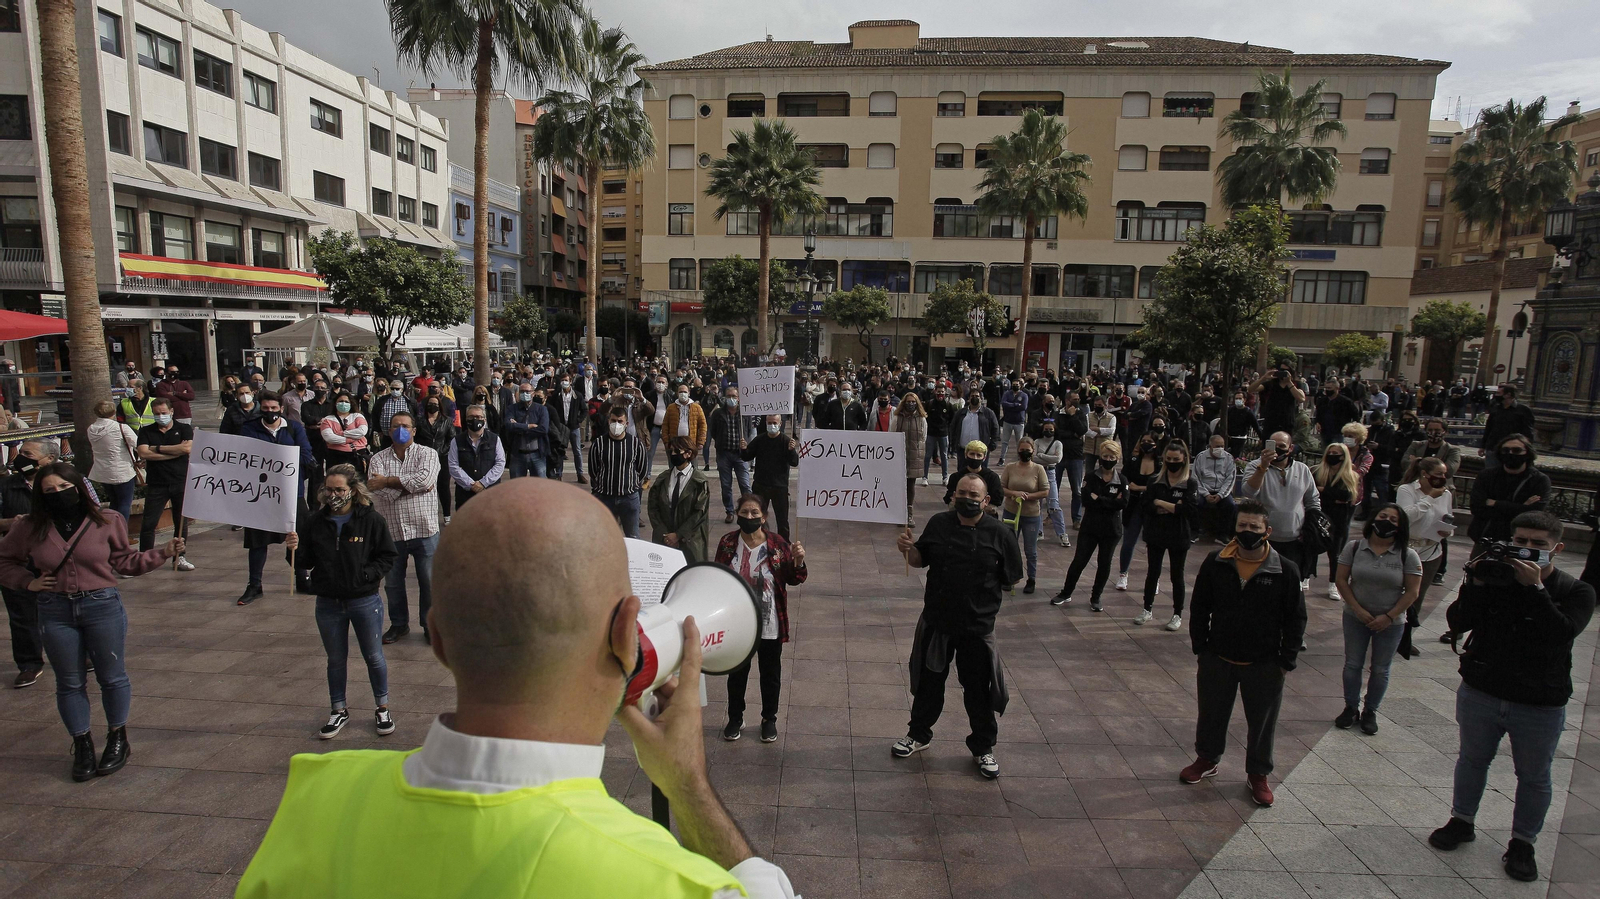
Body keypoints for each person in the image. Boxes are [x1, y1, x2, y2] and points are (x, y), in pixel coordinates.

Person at [236, 477, 800, 898]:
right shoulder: (656, 878)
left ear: (437, 639)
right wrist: (690, 789)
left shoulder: (315, 798)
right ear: (628, 635)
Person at [1427, 511, 1596, 883]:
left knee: (1534, 776)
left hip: (1539, 701)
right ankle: (1462, 820)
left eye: (1538, 545)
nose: (1528, 550)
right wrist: (1475, 582)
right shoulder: (1496, 577)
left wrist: (1535, 590)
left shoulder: (1575, 591)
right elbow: (1459, 621)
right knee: (1472, 760)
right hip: (1483, 689)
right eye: (1521, 541)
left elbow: (1560, 633)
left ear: (1557, 548)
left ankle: (1523, 843)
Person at [0, 462, 182, 780]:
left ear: (79, 488)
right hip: (55, 611)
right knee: (69, 682)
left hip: (101, 606)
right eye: (50, 490)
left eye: (64, 487)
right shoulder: (30, 525)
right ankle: (82, 743)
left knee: (111, 677)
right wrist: (27, 582)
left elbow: (124, 561)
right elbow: (5, 560)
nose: (58, 494)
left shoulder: (106, 520)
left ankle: (117, 738)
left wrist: (162, 553)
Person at [894, 471, 1022, 779]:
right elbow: (918, 559)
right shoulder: (939, 524)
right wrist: (907, 549)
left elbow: (1012, 577)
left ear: (986, 500)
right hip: (938, 622)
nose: (965, 500)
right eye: (960, 494)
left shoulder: (1000, 534)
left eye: (972, 496)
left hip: (977, 628)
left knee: (978, 690)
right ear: (953, 496)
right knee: (929, 683)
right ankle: (919, 734)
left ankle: (983, 747)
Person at [1182, 497, 1307, 808]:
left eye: (1254, 526)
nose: (1247, 530)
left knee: (1262, 723)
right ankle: (1207, 759)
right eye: (1242, 525)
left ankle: (1258, 774)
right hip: (1218, 657)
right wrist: (1202, 648)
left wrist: (1285, 660)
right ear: (1234, 528)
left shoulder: (1285, 570)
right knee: (1211, 714)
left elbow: (1296, 619)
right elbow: (1199, 607)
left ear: (1267, 530)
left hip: (1264, 663)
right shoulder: (1216, 562)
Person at [282, 465, 399, 740]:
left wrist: (366, 575)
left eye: (339, 490)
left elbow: (387, 555)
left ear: (353, 491)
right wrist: (292, 550)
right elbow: (304, 562)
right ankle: (338, 710)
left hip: (364, 601)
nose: (333, 495)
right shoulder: (314, 521)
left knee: (373, 657)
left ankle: (382, 707)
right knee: (335, 659)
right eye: (329, 489)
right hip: (328, 603)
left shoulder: (371, 520)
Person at [716, 494, 807, 744]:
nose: (749, 517)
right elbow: (717, 577)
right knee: (737, 673)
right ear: (737, 514)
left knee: (770, 673)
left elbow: (794, 578)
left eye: (755, 513)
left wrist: (798, 561)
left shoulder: (777, 544)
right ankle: (735, 718)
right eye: (744, 512)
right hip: (737, 623)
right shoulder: (727, 543)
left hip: (769, 623)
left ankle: (769, 719)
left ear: (764, 517)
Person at [1333, 503, 1421, 736]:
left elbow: (1412, 592)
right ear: (1373, 519)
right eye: (1383, 516)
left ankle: (1370, 710)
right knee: (1353, 664)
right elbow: (1342, 580)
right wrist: (1357, 609)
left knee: (1381, 669)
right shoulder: (1354, 548)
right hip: (1355, 616)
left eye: (1394, 520)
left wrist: (1389, 616)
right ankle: (1350, 706)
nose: (1387, 522)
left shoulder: (1407, 555)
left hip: (1390, 622)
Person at [368, 412, 440, 645]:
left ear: (414, 430)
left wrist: (389, 480)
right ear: (389, 431)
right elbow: (379, 492)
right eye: (396, 426)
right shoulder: (377, 459)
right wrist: (411, 485)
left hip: (424, 530)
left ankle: (429, 626)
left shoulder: (427, 453)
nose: (401, 429)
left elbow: (426, 480)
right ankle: (399, 625)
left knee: (428, 582)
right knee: (393, 583)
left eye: (406, 426)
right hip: (392, 531)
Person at [237, 393, 316, 606]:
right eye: (265, 408)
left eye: (273, 407)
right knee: (257, 541)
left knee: (299, 536)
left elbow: (306, 454)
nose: (270, 411)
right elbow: (247, 456)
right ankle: (255, 585)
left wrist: (278, 458)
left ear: (281, 408)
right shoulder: (250, 428)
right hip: (261, 494)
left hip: (292, 492)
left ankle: (302, 577)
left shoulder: (294, 428)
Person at [0, 440, 59, 687]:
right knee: (22, 616)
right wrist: (13, 524)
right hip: (19, 561)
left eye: (28, 454)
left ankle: (83, 654)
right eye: (21, 453)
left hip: (57, 559)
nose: (20, 458)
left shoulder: (65, 482)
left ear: (49, 460)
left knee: (66, 610)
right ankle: (29, 664)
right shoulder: (6, 486)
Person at [1242, 431, 1321, 592]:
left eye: (1282, 447)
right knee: (1262, 584)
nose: (1277, 450)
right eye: (1273, 446)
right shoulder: (1255, 466)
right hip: (1264, 540)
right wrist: (1263, 467)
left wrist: (1311, 527)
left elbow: (1313, 500)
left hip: (1294, 541)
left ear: (1290, 448)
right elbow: (1249, 492)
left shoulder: (1303, 469)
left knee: (1290, 584)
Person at [1053, 440, 1127, 611]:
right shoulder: (1091, 476)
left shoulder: (1121, 480)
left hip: (1111, 530)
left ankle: (1096, 597)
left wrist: (1099, 499)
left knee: (1104, 563)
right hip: (1090, 527)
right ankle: (1066, 592)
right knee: (1079, 560)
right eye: (1105, 456)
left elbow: (1123, 503)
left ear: (1117, 458)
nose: (1107, 459)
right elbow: (1086, 499)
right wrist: (1109, 501)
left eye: (1111, 457)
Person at [1395, 457, 1455, 658]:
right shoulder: (1407, 490)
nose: (1442, 478)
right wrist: (1429, 498)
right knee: (1398, 591)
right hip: (1408, 548)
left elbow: (1448, 516)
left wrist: (1448, 530)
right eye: (1438, 474)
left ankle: (1406, 637)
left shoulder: (1446, 494)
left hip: (1432, 549)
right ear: (1425, 474)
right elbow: (1406, 517)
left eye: (1444, 474)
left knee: (1417, 595)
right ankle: (1390, 630)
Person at [1138, 439, 1200, 630]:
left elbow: (1189, 510)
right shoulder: (1155, 481)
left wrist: (1161, 503)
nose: (1173, 462)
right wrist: (1171, 507)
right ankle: (1147, 609)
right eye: (1169, 458)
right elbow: (1146, 505)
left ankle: (1177, 614)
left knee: (1177, 575)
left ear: (1184, 460)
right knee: (1153, 573)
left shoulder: (1189, 483)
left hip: (1178, 534)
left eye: (1177, 459)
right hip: (1156, 532)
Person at [135, 398, 194, 570]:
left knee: (180, 522)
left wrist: (157, 448)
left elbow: (187, 449)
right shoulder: (146, 431)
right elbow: (143, 453)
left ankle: (179, 557)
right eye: (157, 414)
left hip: (180, 481)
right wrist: (174, 451)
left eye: (163, 413)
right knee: (148, 523)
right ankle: (144, 559)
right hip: (157, 483)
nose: (160, 416)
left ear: (171, 411)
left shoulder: (183, 428)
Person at [1114, 419, 1164, 591]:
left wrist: (1141, 487)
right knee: (1128, 542)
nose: (1146, 445)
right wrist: (1130, 488)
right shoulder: (1134, 460)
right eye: (1144, 442)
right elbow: (1124, 478)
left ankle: (1154, 578)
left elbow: (1160, 485)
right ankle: (1123, 574)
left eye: (1150, 442)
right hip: (1134, 505)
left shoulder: (1161, 464)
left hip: (1152, 508)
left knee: (1154, 545)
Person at [589, 404, 652, 538]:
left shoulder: (636, 444)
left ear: (626, 423)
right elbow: (593, 470)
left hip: (629, 498)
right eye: (613, 421)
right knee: (604, 537)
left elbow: (641, 469)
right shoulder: (598, 443)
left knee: (633, 537)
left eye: (620, 421)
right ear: (608, 421)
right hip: (604, 497)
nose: (616, 424)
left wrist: (633, 486)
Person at [999, 436, 1049, 595]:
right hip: (1011, 512)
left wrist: (1029, 496)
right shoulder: (1010, 467)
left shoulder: (1038, 469)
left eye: (1028, 451)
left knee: (1030, 549)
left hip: (1031, 515)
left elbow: (1045, 491)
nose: (1025, 453)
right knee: (1008, 547)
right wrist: (1014, 493)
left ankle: (1031, 578)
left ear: (1033, 451)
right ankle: (1009, 577)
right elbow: (1001, 488)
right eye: (1022, 451)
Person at [1312, 438, 1362, 598]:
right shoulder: (1317, 471)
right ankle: (1306, 577)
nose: (1332, 455)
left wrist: (1324, 490)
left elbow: (1347, 495)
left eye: (1336, 453)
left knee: (1335, 554)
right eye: (1330, 453)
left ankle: (1333, 583)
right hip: (1319, 515)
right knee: (1311, 548)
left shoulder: (1351, 475)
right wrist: (1332, 496)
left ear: (1343, 456)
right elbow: (1313, 492)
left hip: (1339, 520)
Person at [648, 438, 711, 563]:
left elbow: (699, 513)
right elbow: (653, 508)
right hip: (664, 539)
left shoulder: (699, 481)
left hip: (690, 541)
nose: (673, 454)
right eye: (671, 451)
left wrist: (678, 535)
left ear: (688, 453)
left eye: (677, 451)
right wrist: (664, 534)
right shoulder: (663, 478)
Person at [86, 400, 140, 522]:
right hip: (122, 470)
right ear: (114, 412)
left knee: (114, 502)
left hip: (102, 471)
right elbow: (137, 444)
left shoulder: (91, 429)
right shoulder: (121, 427)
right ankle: (121, 532)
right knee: (124, 503)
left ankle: (112, 529)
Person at [708, 388, 750, 524]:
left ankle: (747, 510)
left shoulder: (744, 414)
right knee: (726, 485)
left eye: (734, 396)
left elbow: (749, 429)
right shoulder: (718, 414)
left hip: (740, 455)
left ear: (738, 398)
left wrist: (746, 443)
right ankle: (729, 511)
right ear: (724, 397)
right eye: (728, 396)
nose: (731, 398)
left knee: (745, 484)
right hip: (724, 453)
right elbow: (713, 431)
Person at [418, 393, 457, 524]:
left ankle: (447, 515)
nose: (432, 406)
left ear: (439, 406)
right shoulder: (419, 421)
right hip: (424, 458)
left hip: (442, 457)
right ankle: (428, 515)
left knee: (443, 486)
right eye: (430, 404)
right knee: (426, 486)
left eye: (435, 404)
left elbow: (451, 438)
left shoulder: (446, 421)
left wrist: (440, 451)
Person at [503, 382, 552, 479]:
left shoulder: (541, 409)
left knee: (539, 485)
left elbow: (543, 429)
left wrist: (518, 427)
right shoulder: (512, 409)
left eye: (527, 391)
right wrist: (529, 426)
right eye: (522, 391)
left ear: (533, 393)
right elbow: (508, 426)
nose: (524, 394)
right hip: (518, 454)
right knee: (517, 486)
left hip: (537, 454)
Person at [1194, 434, 1237, 542]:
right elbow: (1196, 478)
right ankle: (1194, 532)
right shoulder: (1201, 457)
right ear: (1210, 446)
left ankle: (1223, 534)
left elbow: (1230, 479)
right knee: (1196, 503)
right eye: (1217, 446)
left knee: (1230, 505)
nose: (1220, 449)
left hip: (1221, 490)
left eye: (1222, 446)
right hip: (1204, 489)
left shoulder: (1229, 458)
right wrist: (1206, 494)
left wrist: (1221, 495)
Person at [1033, 420, 1069, 548]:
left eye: (1051, 429)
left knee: (1053, 504)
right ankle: (1039, 531)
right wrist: (1049, 457)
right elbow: (1033, 458)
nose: (1048, 431)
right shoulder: (1037, 442)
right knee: (1037, 503)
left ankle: (1062, 533)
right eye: (1046, 429)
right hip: (1037, 472)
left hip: (1050, 473)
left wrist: (1041, 455)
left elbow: (1057, 459)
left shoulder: (1058, 443)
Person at [1480, 386, 1535, 467]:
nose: (1496, 395)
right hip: (1493, 448)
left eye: (1499, 393)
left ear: (1508, 395)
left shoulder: (1523, 410)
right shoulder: (1496, 409)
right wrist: (1483, 446)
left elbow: (1528, 432)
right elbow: (1488, 428)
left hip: (1511, 450)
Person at [942, 440, 1004, 513]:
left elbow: (997, 500)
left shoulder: (992, 477)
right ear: (966, 455)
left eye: (979, 455)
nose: (975, 458)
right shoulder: (956, 477)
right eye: (972, 454)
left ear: (984, 458)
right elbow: (949, 497)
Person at [319, 391, 371, 477]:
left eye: (346, 402)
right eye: (340, 401)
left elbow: (362, 431)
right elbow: (329, 437)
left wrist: (341, 433)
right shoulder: (327, 420)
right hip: (336, 456)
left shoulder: (358, 416)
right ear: (335, 403)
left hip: (356, 455)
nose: (343, 403)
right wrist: (350, 439)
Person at [894, 393, 928, 525]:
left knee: (911, 485)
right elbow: (892, 434)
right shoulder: (897, 418)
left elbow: (923, 437)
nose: (910, 404)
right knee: (900, 485)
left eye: (913, 402)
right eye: (908, 401)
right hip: (899, 454)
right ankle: (900, 513)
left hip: (914, 455)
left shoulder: (922, 419)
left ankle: (909, 514)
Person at [550, 374, 587, 483]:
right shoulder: (556, 395)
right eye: (562, 380)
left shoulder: (577, 395)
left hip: (574, 427)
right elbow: (551, 408)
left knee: (577, 451)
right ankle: (559, 474)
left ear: (570, 381)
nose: (564, 382)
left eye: (566, 380)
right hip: (561, 427)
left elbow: (584, 410)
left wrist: (578, 420)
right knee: (560, 451)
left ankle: (580, 474)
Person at [1252, 367, 1305, 438]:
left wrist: (1289, 382)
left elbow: (1301, 398)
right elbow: (1251, 389)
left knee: (1283, 446)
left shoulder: (1296, 384)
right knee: (1268, 446)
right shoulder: (1271, 384)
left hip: (1287, 423)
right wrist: (1263, 378)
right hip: (1271, 422)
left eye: (1286, 371)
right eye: (1281, 371)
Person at [922, 385, 955, 486]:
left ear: (945, 393)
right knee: (927, 455)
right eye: (938, 392)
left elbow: (951, 419)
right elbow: (925, 417)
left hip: (943, 434)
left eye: (942, 392)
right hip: (931, 433)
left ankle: (945, 477)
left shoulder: (948, 405)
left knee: (944, 455)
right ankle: (925, 477)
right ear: (935, 392)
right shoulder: (930, 404)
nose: (940, 394)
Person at [997, 378, 1028, 463]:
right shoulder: (1007, 393)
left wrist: (1010, 407)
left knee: (1019, 442)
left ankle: (1020, 458)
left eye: (1017, 385)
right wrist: (1015, 405)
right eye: (1014, 385)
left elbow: (1023, 407)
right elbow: (1003, 403)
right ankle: (1002, 458)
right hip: (1008, 421)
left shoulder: (1024, 395)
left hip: (1019, 422)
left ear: (1020, 386)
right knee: (1005, 442)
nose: (1015, 386)